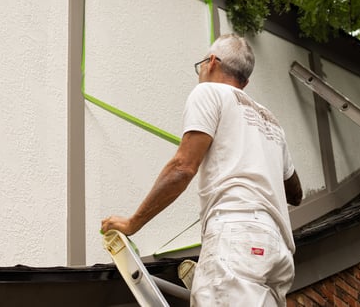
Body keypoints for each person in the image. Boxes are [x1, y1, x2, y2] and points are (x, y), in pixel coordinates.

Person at [101, 33, 303, 306]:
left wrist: (132, 223)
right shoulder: (270, 119)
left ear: (210, 62)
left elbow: (182, 168)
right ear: (245, 81)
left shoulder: (208, 92)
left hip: (237, 238)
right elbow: (295, 192)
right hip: (277, 253)